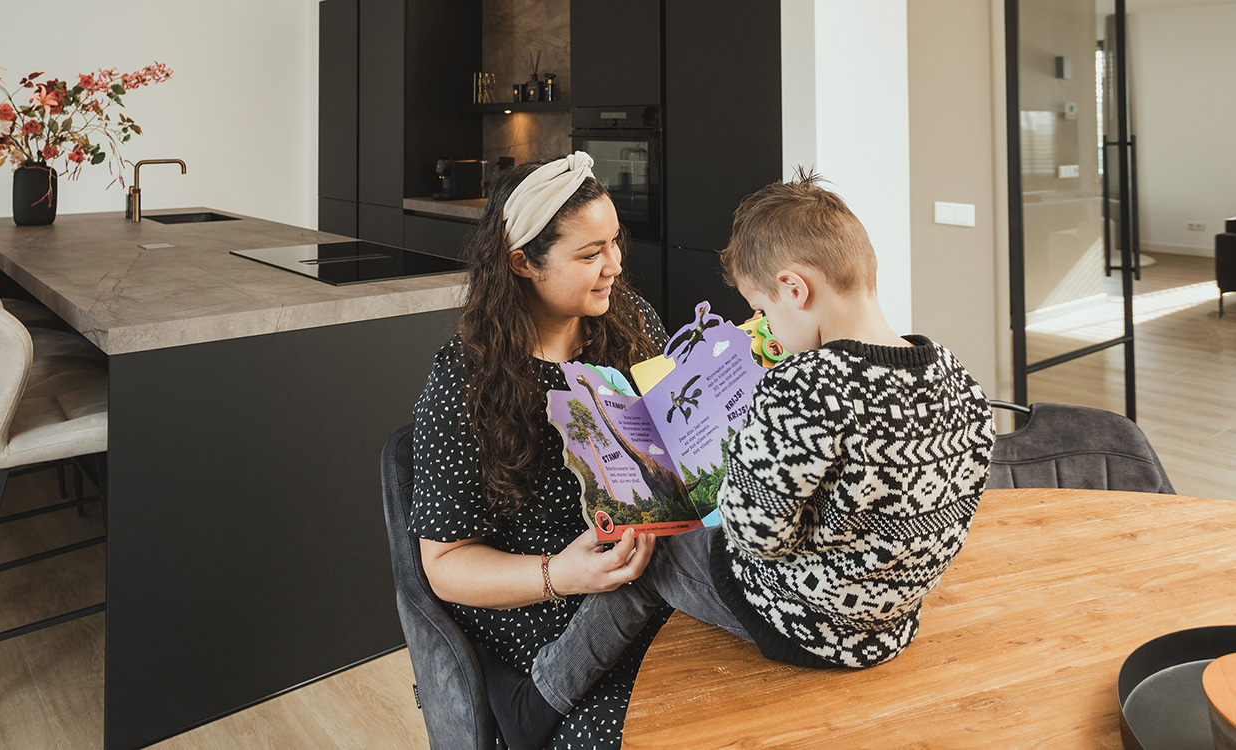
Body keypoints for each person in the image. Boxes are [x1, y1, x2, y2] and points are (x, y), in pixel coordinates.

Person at [478, 170, 999, 750]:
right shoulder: (959, 379)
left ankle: (536, 703)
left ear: (794, 289)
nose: (767, 329)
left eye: (763, 310)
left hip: (808, 625)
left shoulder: (804, 386)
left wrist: (729, 464)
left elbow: (755, 537)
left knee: (649, 546)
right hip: (892, 622)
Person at [409, 152, 669, 749]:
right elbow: (444, 565)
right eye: (589, 254)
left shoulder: (631, 324)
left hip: (647, 587)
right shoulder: (465, 384)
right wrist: (563, 575)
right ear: (521, 262)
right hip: (546, 623)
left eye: (614, 243)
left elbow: (674, 454)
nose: (614, 267)